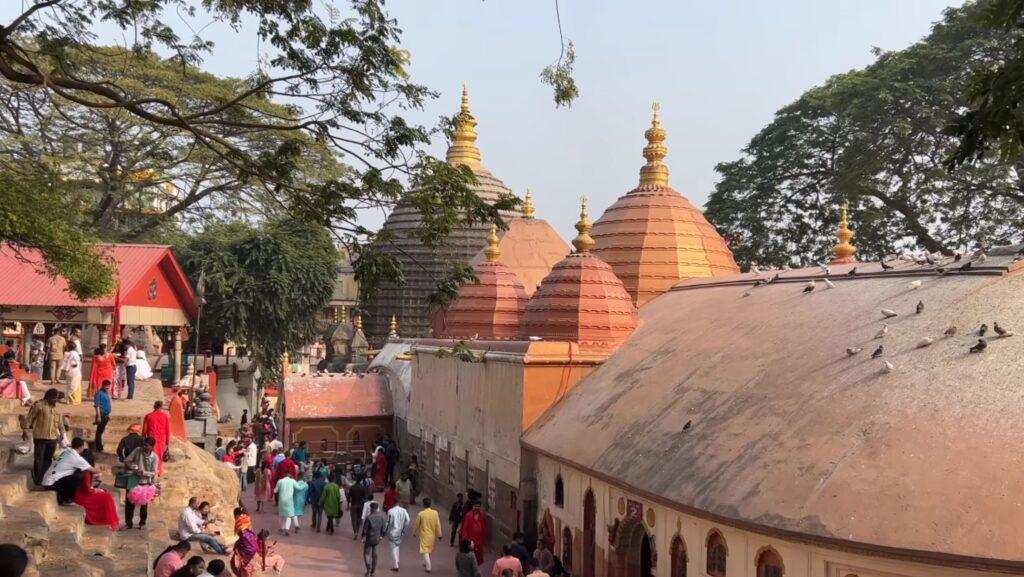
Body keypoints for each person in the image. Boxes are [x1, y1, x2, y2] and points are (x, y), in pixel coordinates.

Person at [21, 388, 68, 485]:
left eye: (57, 398)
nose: (56, 400)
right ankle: (38, 479)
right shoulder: (39, 406)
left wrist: (63, 435)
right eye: (54, 398)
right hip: (40, 437)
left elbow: (60, 424)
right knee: (39, 458)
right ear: (49, 397)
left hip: (53, 438)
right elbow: (29, 418)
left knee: (48, 459)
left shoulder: (57, 410)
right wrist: (25, 430)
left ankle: (45, 478)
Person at [42, 437, 99, 505]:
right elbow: (94, 470)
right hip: (51, 484)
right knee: (78, 476)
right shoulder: (76, 458)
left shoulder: (66, 452)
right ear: (81, 447)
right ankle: (67, 499)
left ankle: (64, 495)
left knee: (75, 473)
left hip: (47, 482)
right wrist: (101, 469)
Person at [72, 450, 119, 530]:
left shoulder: (81, 468)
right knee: (106, 497)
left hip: (78, 494)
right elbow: (87, 490)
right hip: (82, 496)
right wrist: (96, 491)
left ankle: (109, 521)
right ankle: (108, 521)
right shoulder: (86, 472)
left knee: (105, 496)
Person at [124, 437, 159, 529]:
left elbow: (154, 472)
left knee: (144, 504)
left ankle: (142, 523)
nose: (144, 447)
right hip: (133, 479)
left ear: (152, 447)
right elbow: (127, 460)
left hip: (145, 482)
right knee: (129, 503)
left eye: (146, 445)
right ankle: (128, 523)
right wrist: (132, 466)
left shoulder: (155, 457)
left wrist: (143, 472)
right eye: (143, 444)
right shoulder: (137, 450)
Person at [413, 497, 442, 573]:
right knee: (428, 549)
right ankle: (424, 562)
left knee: (425, 550)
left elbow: (417, 524)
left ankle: (428, 567)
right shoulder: (435, 513)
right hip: (432, 535)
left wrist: (414, 532)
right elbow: (438, 525)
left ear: (423, 504)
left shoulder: (421, 514)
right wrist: (439, 535)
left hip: (424, 535)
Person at [142, 400, 171, 476]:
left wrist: (144, 438)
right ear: (161, 407)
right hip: (162, 439)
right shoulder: (165, 416)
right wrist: (167, 442)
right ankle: (159, 471)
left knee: (151, 455)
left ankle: (152, 471)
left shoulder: (148, 416)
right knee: (160, 456)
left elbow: (144, 430)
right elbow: (168, 430)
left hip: (151, 438)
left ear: (154, 406)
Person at [362, 501, 388, 576]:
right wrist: (381, 536)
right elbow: (383, 529)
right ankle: (373, 571)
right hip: (377, 539)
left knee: (366, 553)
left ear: (371, 509)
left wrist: (363, 537)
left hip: (369, 539)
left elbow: (365, 529)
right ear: (377, 509)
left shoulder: (368, 517)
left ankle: (368, 568)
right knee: (375, 555)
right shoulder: (382, 517)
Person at [385, 499, 411, 571]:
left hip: (392, 531)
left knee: (393, 547)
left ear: (393, 503)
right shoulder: (403, 510)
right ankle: (397, 560)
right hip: (400, 531)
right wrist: (404, 528)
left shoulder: (390, 511)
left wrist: (384, 531)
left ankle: (395, 564)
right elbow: (408, 520)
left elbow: (387, 522)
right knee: (397, 545)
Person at [461, 500, 487, 565]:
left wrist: (484, 538)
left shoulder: (482, 515)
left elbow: (484, 526)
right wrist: (465, 539)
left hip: (479, 540)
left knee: (478, 557)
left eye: (478, 506)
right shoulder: (468, 515)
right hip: (471, 540)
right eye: (475, 506)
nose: (477, 508)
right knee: (470, 556)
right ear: (472, 507)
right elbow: (465, 528)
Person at [274, 470, 299, 535]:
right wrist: (304, 484)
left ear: (284, 474)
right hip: (289, 500)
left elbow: (275, 491)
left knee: (281, 514)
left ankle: (282, 528)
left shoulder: (280, 481)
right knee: (289, 515)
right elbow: (298, 488)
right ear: (290, 475)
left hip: (281, 500)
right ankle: (287, 529)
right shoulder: (292, 481)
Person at [93, 380, 112, 452]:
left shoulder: (106, 393)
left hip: (105, 415)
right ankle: (99, 447)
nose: (108, 388)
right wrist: (98, 416)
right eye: (106, 387)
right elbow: (97, 406)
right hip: (101, 414)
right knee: (99, 431)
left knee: (101, 431)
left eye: (109, 387)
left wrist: (108, 415)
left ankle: (99, 445)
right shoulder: (99, 393)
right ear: (103, 386)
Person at [348, 473, 369, 539]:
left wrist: (348, 504)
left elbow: (348, 497)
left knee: (353, 519)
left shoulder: (352, 487)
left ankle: (355, 532)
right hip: (360, 505)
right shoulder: (363, 488)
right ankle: (357, 530)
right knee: (358, 519)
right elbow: (365, 498)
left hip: (353, 504)